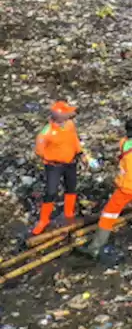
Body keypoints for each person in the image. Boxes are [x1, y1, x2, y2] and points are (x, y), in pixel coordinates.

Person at [78, 117, 132, 260]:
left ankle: (95, 248)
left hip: (126, 188)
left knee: (108, 216)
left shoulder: (124, 144)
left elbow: (123, 145)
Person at [32, 101, 93, 236]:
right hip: (54, 166)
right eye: (68, 113)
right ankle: (43, 220)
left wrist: (80, 153)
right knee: (51, 192)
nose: (72, 115)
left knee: (71, 187)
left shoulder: (70, 125)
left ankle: (68, 214)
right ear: (60, 116)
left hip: (71, 163)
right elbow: (39, 151)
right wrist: (52, 157)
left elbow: (74, 140)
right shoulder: (46, 133)